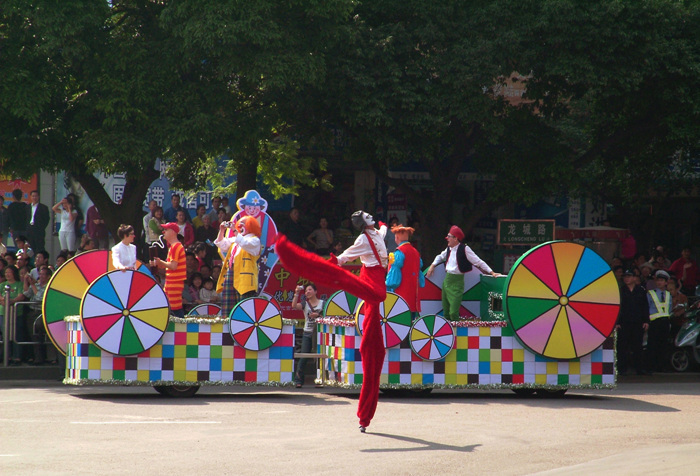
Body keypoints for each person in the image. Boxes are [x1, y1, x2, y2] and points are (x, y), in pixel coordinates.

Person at [275, 210, 388, 432]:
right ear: (364, 222)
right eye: (368, 216)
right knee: (371, 295)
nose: (371, 217)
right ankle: (364, 416)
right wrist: (335, 261)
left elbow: (383, 232)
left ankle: (365, 417)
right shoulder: (363, 238)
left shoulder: (376, 233)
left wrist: (385, 226)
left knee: (375, 346)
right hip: (370, 280)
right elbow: (347, 255)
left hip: (377, 279)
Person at [426, 225, 499, 321]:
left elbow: (478, 261)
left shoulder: (464, 249)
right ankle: (448, 333)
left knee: (453, 312)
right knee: (446, 311)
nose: (447, 239)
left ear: (455, 238)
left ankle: (456, 333)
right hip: (447, 281)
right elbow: (439, 257)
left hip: (457, 282)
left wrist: (492, 272)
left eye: (449, 237)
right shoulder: (448, 249)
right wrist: (432, 265)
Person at [214, 215, 262, 316]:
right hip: (231, 273)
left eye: (243, 223)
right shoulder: (236, 240)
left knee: (244, 306)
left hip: (245, 278)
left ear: (251, 225)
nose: (239, 225)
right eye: (239, 223)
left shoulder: (254, 240)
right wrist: (222, 230)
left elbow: (244, 243)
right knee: (228, 305)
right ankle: (227, 327)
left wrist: (234, 231)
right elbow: (222, 244)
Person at [385, 224, 425, 319]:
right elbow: (419, 268)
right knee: (411, 318)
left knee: (399, 320)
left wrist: (388, 285)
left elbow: (393, 279)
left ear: (397, 237)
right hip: (414, 293)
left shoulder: (399, 252)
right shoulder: (415, 252)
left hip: (401, 293)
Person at [616, 269, 650, 375]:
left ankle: (639, 368)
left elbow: (645, 306)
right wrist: (617, 322)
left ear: (635, 278)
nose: (627, 279)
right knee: (622, 347)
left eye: (629, 276)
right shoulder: (621, 290)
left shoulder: (641, 290)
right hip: (624, 323)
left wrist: (646, 321)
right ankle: (622, 369)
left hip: (637, 322)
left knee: (638, 347)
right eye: (625, 276)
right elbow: (617, 307)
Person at [150, 222, 187, 317]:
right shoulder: (173, 247)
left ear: (173, 232)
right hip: (172, 281)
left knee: (174, 308)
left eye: (166, 230)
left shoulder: (176, 247)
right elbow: (169, 265)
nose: (163, 232)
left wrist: (160, 262)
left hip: (174, 281)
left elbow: (173, 266)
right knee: (172, 306)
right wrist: (158, 264)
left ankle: (179, 328)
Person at [22, 265, 57, 365]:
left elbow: (40, 298)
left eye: (43, 274)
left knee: (47, 336)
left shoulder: (49, 287)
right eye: (40, 274)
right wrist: (26, 282)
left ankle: (50, 358)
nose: (40, 276)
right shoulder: (36, 285)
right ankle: (38, 358)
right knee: (34, 336)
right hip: (32, 312)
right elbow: (26, 294)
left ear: (48, 276)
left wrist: (32, 285)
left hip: (43, 313)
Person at [291, 283, 324, 388]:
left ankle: (319, 380)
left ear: (315, 292)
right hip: (307, 333)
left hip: (320, 333)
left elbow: (329, 316)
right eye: (306, 291)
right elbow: (294, 306)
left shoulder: (323, 303)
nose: (307, 292)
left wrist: (318, 315)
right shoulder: (305, 304)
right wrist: (296, 293)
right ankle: (298, 380)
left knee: (320, 357)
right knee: (304, 356)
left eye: (310, 290)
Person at [2, 265, 29, 365]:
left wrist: (11, 301)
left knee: (17, 334)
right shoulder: (2, 285)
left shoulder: (19, 284)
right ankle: (6, 356)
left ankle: (17, 356)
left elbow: (21, 296)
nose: (7, 274)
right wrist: (4, 301)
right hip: (3, 313)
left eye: (9, 272)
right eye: (6, 272)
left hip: (17, 313)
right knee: (5, 334)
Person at [646, 270, 672, 373]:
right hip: (654, 322)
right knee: (652, 345)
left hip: (665, 322)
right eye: (658, 280)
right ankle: (651, 366)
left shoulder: (668, 294)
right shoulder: (650, 293)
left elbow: (669, 309)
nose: (659, 282)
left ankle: (661, 365)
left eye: (662, 280)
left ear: (666, 283)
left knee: (663, 344)